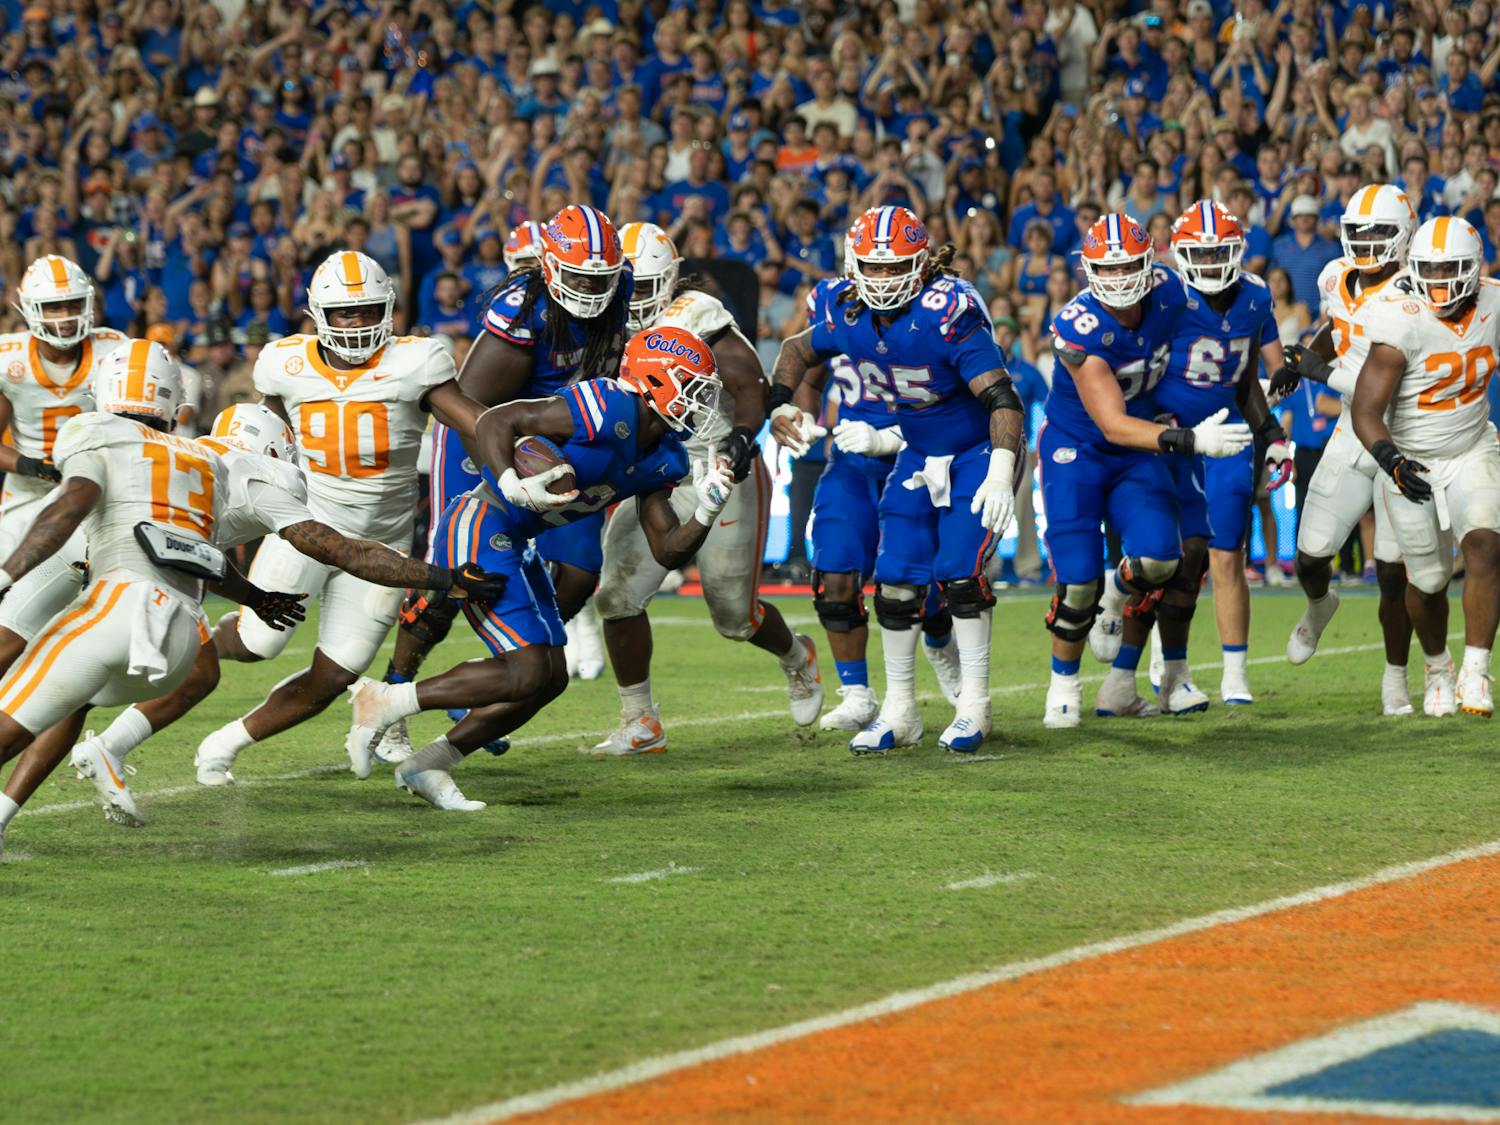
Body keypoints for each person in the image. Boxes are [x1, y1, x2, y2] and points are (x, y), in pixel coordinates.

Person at [345, 327, 737, 810]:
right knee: (527, 668)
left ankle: (430, 763)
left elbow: (667, 550)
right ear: (656, 381)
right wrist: (510, 481)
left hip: (521, 538)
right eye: (692, 386)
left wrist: (705, 513)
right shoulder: (605, 405)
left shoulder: (666, 455)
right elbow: (495, 422)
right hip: (483, 517)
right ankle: (385, 700)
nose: (701, 402)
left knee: (550, 677)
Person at [67, 403, 505, 822]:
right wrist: (446, 578)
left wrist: (253, 596)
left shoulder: (191, 459)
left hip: (93, 553)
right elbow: (343, 552)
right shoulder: (258, 477)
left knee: (301, 671)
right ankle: (83, 748)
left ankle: (149, 748)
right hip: (137, 564)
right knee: (108, 677)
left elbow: (196, 552)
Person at [192, 250, 496, 784]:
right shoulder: (283, 364)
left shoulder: (418, 361)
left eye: (365, 310)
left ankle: (225, 743)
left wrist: (517, 460)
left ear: (388, 308)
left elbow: (476, 423)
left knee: (336, 674)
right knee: (256, 643)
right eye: (343, 313)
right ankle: (194, 645)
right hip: (306, 525)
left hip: (382, 543)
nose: (354, 323)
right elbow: (259, 433)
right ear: (317, 314)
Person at [0, 342, 302, 854]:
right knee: (36, 665)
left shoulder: (185, 451)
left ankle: (53, 784)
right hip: (83, 552)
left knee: (93, 679)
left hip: (106, 561)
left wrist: (251, 594)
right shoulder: (239, 473)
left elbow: (185, 551)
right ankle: (85, 765)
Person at [770, 206, 1025, 754]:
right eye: (873, 268)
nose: (882, 281)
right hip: (916, 450)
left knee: (958, 576)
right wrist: (778, 407)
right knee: (895, 581)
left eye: (895, 269)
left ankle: (974, 705)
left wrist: (1002, 469)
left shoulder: (946, 309)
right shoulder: (845, 309)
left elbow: (1001, 397)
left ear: (921, 264)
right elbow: (795, 351)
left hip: (977, 449)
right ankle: (900, 710)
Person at [387, 205, 632, 744]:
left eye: (600, 277)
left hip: (559, 441)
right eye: (579, 276)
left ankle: (489, 676)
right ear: (548, 267)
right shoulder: (524, 311)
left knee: (580, 572)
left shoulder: (622, 290)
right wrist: (508, 474)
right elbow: (472, 409)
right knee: (458, 581)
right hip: (483, 440)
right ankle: (393, 696)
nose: (591, 289)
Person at [591, 223, 823, 754]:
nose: (629, 299)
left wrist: (743, 438)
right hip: (656, 468)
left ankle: (798, 656)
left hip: (716, 461)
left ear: (668, 281)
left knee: (733, 617)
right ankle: (640, 721)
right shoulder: (601, 322)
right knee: (617, 594)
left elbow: (747, 383)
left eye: (640, 285)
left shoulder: (694, 312)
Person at [1042, 214, 1252, 728]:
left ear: (1149, 262)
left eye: (1126, 268)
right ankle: (1062, 685)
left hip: (1141, 446)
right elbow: (1112, 424)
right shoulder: (1079, 325)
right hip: (1080, 447)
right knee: (1076, 583)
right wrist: (1189, 437)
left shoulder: (1171, 294)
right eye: (1105, 270)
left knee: (1162, 560)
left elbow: (1209, 347)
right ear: (1088, 270)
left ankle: (1118, 593)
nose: (1116, 281)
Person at [1101, 201, 1291, 712]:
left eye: (1219, 253)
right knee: (1158, 558)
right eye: (1199, 254)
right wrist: (1147, 421)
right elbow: (1130, 362)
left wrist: (1270, 431)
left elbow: (1247, 375)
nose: (1209, 265)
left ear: (1239, 250)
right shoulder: (1161, 293)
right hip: (1164, 440)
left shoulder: (1254, 296)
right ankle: (1127, 673)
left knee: (1211, 556)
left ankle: (1203, 673)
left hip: (1224, 436)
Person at [1351, 217, 1500, 718]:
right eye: (1429, 268)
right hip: (1411, 458)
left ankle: (1476, 670)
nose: (1438, 279)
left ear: (1473, 270)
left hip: (1472, 446)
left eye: (1449, 269)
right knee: (1428, 580)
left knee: (1485, 543)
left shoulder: (1495, 302)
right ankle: (1437, 666)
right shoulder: (1401, 318)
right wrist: (1389, 458)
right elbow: (1365, 409)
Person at [1278, 185, 1417, 716]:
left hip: (1405, 433)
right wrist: (1304, 361)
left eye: (1379, 232)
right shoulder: (1335, 275)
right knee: (1310, 556)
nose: (1366, 242)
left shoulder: (1415, 289)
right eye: (1358, 231)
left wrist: (1322, 371)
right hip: (1351, 433)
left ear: (1403, 233)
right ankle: (1320, 605)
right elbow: (1336, 330)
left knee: (1391, 569)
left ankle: (1396, 677)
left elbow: (1383, 375)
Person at [0, 256, 127, 659]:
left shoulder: (115, 350)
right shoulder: (9, 360)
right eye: (55, 306)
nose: (66, 316)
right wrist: (29, 464)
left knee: (57, 606)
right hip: (26, 494)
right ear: (30, 310)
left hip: (91, 498)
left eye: (72, 304)